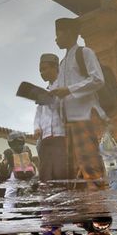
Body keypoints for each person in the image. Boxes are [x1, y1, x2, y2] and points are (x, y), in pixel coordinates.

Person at [51, 17, 107, 187]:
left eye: (58, 34)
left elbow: (98, 79)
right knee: (73, 164)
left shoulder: (84, 53)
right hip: (68, 120)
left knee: (89, 160)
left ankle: (99, 199)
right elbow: (60, 90)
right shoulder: (62, 62)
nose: (56, 39)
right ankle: (83, 204)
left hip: (85, 115)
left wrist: (69, 90)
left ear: (68, 33)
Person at [34, 53, 68, 182]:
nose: (42, 73)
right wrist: (37, 128)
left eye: (45, 69)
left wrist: (52, 100)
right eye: (40, 70)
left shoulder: (64, 87)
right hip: (45, 138)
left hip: (60, 136)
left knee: (60, 172)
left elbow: (66, 109)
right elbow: (38, 114)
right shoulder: (44, 92)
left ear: (55, 68)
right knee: (46, 174)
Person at [1, 131, 36, 208]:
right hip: (29, 174)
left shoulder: (8, 151)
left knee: (10, 194)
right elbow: (31, 160)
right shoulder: (27, 149)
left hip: (15, 175)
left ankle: (7, 214)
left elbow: (5, 164)